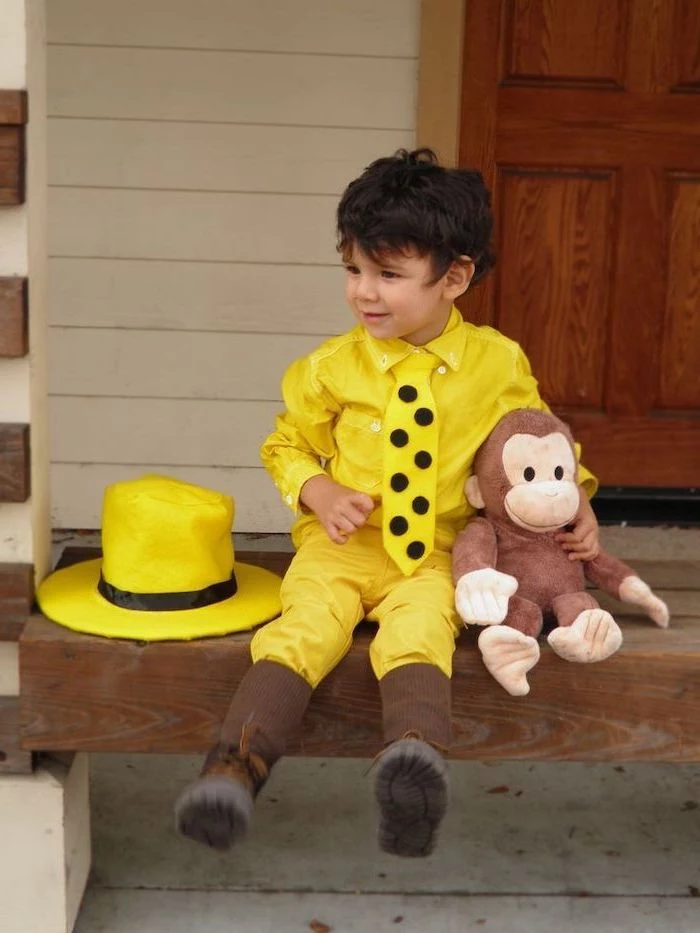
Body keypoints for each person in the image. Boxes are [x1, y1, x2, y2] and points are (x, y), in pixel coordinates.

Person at [174, 148, 599, 858]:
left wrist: (577, 496)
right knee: (302, 629)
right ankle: (233, 769)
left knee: (420, 634)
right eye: (353, 270)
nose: (365, 292)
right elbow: (286, 447)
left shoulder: (497, 363)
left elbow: (539, 442)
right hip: (338, 552)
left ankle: (413, 763)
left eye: (389, 274)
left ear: (454, 277)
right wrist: (320, 488)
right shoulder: (330, 369)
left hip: (438, 556)